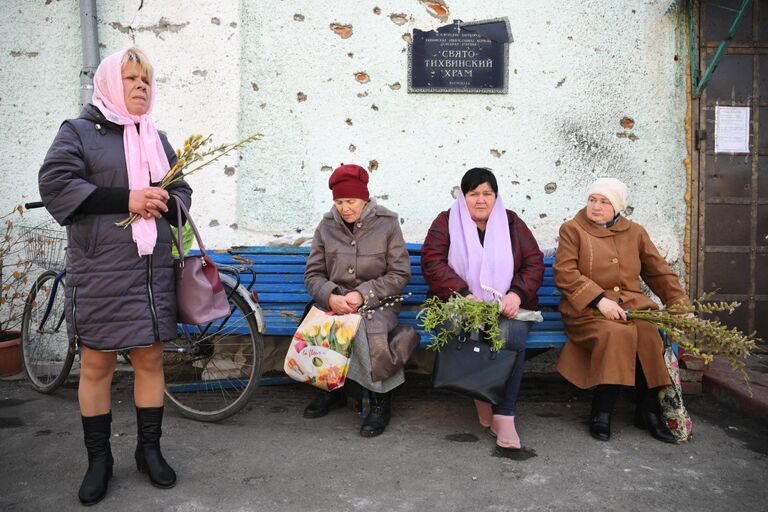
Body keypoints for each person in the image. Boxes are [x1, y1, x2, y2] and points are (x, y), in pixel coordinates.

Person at [38, 47, 192, 505]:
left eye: (146, 79)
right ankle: (99, 461)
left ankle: (150, 450)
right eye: (131, 78)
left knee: (149, 361)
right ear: (108, 84)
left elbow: (180, 189)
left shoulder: (156, 138)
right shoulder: (79, 133)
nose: (141, 86)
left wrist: (169, 202)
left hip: (150, 274)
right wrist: (127, 199)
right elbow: (56, 185)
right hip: (101, 272)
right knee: (97, 365)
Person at [553, 177, 688, 443]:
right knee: (617, 335)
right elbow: (565, 273)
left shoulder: (635, 232)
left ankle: (647, 411)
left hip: (632, 310)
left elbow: (658, 272)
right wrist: (599, 300)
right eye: (593, 199)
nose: (596, 206)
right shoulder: (572, 229)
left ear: (618, 207)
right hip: (587, 312)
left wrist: (679, 304)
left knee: (650, 333)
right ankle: (601, 411)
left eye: (604, 202)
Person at [421, 167, 544, 449]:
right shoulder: (446, 222)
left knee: (510, 335)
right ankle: (482, 393)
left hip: (506, 304)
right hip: (458, 304)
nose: (480, 199)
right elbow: (432, 261)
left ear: (496, 197)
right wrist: (461, 293)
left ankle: (504, 414)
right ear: (463, 196)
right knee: (468, 329)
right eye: (473, 193)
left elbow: (534, 262)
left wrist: (516, 294)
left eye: (487, 193)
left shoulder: (511, 222)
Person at [303, 164, 419, 437]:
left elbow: (400, 274)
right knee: (321, 323)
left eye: (351, 201)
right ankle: (330, 388)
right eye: (339, 202)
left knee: (368, 329)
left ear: (364, 198)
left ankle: (380, 401)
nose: (345, 208)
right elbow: (313, 274)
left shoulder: (387, 223)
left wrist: (363, 294)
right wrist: (330, 297)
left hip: (379, 301)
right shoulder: (326, 226)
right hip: (336, 301)